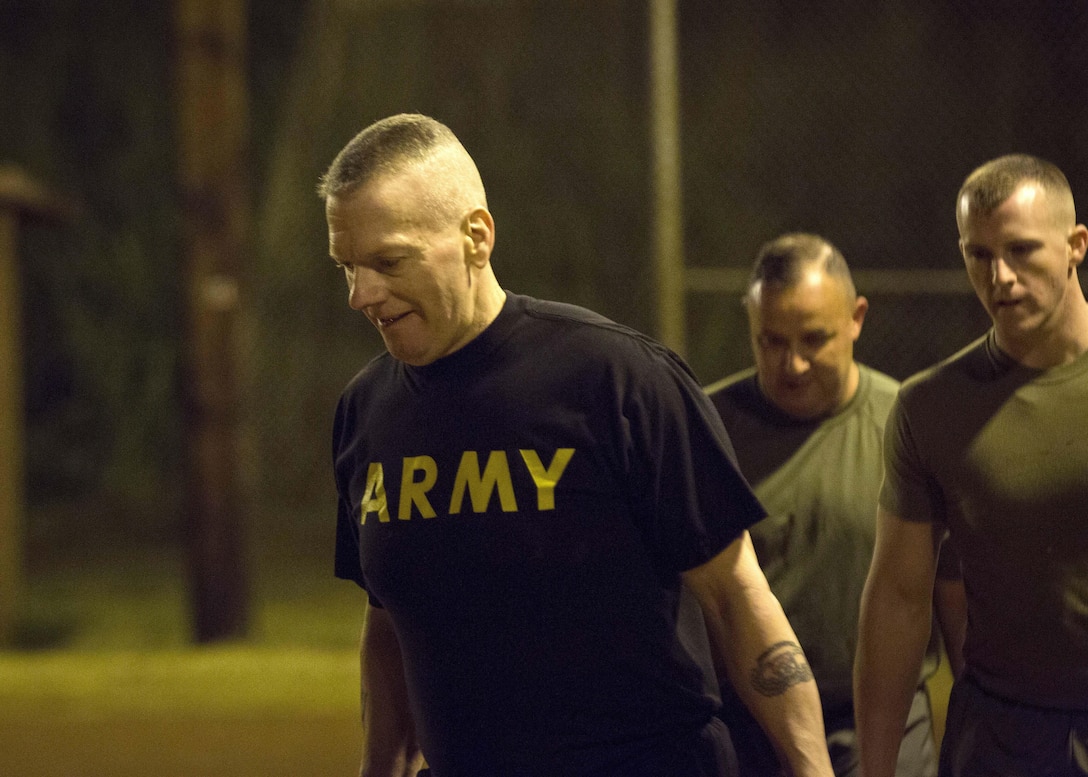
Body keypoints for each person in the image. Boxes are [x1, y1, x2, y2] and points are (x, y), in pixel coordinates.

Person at [319, 113, 835, 777]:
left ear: (476, 237)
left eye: (389, 261)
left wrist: (812, 769)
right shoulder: (367, 412)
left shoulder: (615, 379)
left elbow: (737, 597)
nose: (361, 294)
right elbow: (388, 625)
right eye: (346, 267)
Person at [854, 153, 1088, 777]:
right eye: (978, 255)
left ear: (1076, 246)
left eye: (1021, 250)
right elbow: (900, 599)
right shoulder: (931, 407)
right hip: (1005, 736)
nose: (1001, 277)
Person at [704, 234, 958, 777]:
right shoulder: (707, 433)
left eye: (812, 339)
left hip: (884, 716)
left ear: (857, 317)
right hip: (751, 722)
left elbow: (952, 588)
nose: (791, 364)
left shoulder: (908, 426)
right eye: (770, 341)